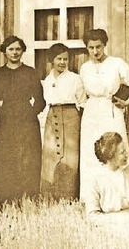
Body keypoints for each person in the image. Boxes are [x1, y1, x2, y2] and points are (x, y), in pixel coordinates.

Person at [78, 29, 129, 203]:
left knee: (115, 150)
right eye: (90, 47)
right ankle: (91, 198)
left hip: (111, 110)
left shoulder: (116, 63)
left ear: (104, 45)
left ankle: (121, 196)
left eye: (98, 47)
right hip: (91, 112)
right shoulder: (84, 68)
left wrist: (126, 102)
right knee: (91, 154)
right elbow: (82, 94)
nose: (95, 51)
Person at [0, 36, 46, 202]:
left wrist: (29, 113)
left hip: (27, 121)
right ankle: (6, 198)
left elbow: (40, 100)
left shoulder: (30, 72)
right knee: (6, 157)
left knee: (28, 158)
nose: (14, 53)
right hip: (5, 122)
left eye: (18, 49)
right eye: (11, 49)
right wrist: (4, 113)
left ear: (23, 51)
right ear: (5, 51)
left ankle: (27, 197)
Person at [40, 43, 86, 200]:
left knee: (69, 156)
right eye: (59, 58)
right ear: (51, 60)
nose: (62, 62)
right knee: (51, 156)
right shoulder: (47, 79)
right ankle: (50, 197)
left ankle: (68, 196)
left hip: (70, 116)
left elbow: (82, 101)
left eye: (65, 59)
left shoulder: (75, 78)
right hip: (52, 117)